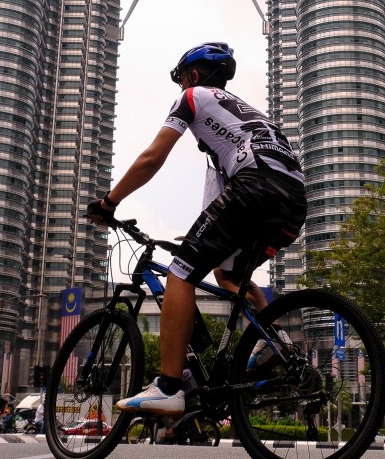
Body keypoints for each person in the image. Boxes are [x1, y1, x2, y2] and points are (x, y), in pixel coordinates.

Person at [87, 42, 306, 416]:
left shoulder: (192, 97)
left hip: (255, 186)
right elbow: (222, 197)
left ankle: (170, 387)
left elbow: (152, 158)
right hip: (294, 201)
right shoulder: (250, 116)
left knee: (181, 271)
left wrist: (109, 203)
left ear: (192, 76)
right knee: (227, 275)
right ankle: (273, 339)